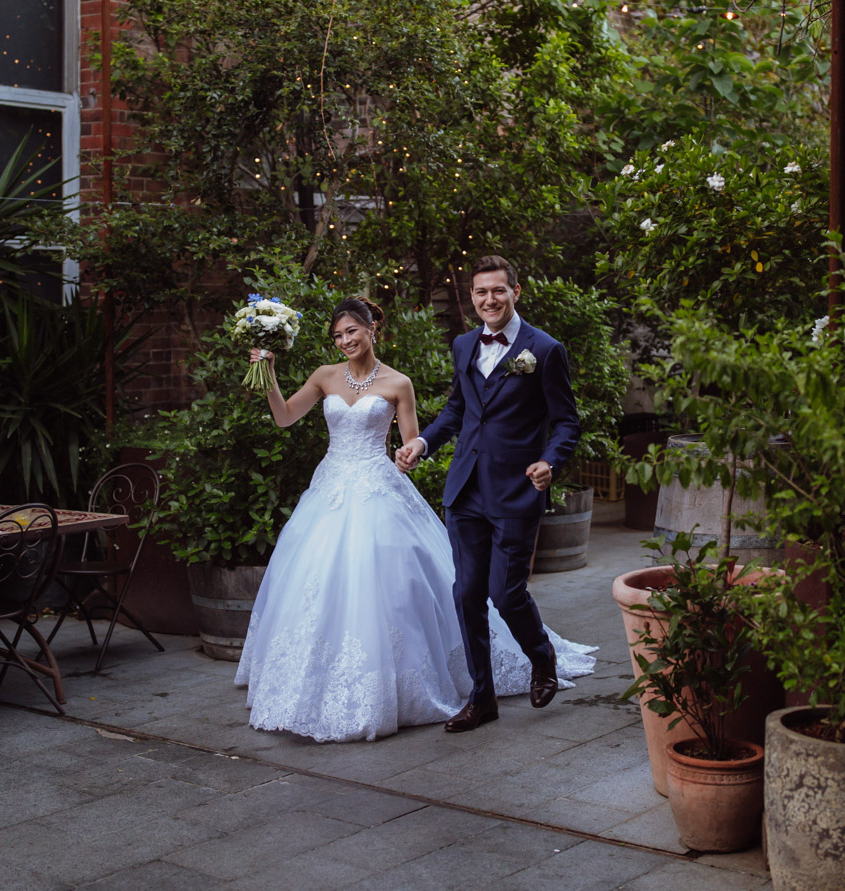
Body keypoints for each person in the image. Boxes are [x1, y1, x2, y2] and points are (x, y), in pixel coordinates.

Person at [234, 296, 594, 743]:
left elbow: (413, 443)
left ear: (371, 330)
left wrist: (410, 455)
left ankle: (474, 677)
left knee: (405, 588)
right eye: (338, 335)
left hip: (378, 488)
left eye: (352, 331)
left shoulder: (398, 383)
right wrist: (266, 372)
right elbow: (285, 417)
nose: (345, 341)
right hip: (329, 491)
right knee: (318, 583)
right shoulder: (324, 377)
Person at [395, 256, 579, 732]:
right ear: (472, 297)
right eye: (480, 292)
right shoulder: (462, 345)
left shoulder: (545, 349)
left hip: (516, 489)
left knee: (506, 592)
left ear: (516, 291)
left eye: (498, 291)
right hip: (465, 490)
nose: (489, 300)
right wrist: (423, 441)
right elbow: (458, 410)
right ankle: (482, 698)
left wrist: (550, 462)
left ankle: (542, 656)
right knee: (467, 594)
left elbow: (565, 423)